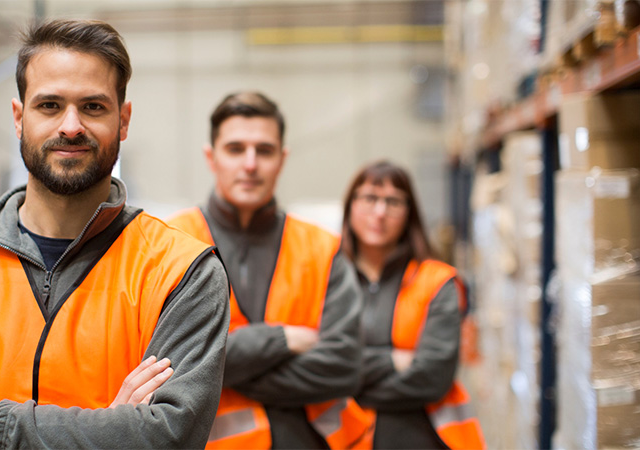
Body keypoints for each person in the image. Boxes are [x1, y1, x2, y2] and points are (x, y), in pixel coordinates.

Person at [0, 19, 230, 449]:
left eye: (93, 106)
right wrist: (110, 431)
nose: (71, 126)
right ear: (19, 118)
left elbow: (168, 437)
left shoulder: (183, 273)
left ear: (124, 119)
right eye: (50, 106)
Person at [167, 91, 372, 450]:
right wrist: (281, 340)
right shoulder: (170, 244)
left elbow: (344, 365)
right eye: (235, 149)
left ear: (282, 158)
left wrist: (214, 368)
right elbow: (168, 362)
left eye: (264, 150)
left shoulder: (323, 248)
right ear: (211, 157)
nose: (250, 164)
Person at [341, 160, 486, 449]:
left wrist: (342, 387)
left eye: (393, 202)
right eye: (370, 198)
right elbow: (310, 365)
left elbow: (433, 378)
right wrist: (394, 359)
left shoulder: (437, 281)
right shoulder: (324, 279)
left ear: (409, 212)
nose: (380, 213)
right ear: (350, 206)